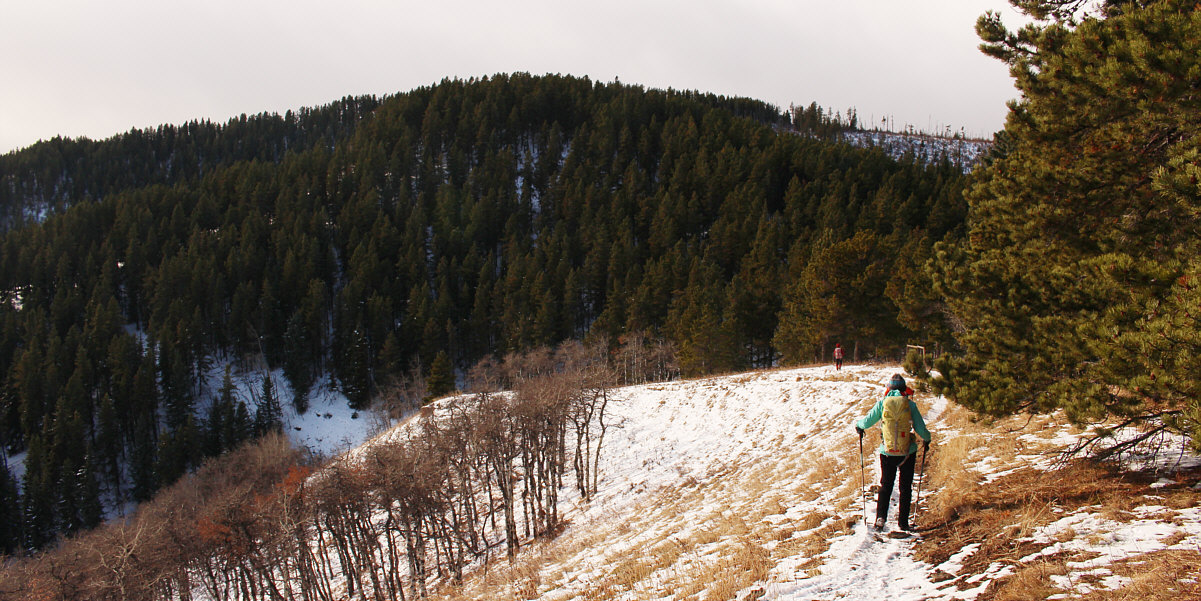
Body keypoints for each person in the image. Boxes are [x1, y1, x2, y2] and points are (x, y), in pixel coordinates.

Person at [854, 373, 931, 532]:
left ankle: (880, 519)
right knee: (905, 487)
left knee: (886, 484)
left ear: (889, 389)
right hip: (907, 452)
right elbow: (920, 429)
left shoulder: (883, 403)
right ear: (904, 390)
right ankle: (903, 522)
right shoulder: (910, 405)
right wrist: (927, 439)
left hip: (887, 451)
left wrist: (859, 425)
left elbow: (867, 421)